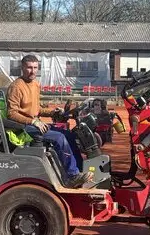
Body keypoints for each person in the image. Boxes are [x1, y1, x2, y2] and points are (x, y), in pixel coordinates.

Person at [6, 54, 93, 188]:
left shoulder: (35, 84)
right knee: (59, 138)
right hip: (24, 127)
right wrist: (33, 122)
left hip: (36, 124)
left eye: (35, 68)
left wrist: (53, 112)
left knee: (68, 134)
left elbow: (36, 109)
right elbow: (11, 113)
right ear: (22, 68)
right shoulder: (16, 87)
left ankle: (80, 171)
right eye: (29, 67)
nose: (33, 71)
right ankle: (72, 176)